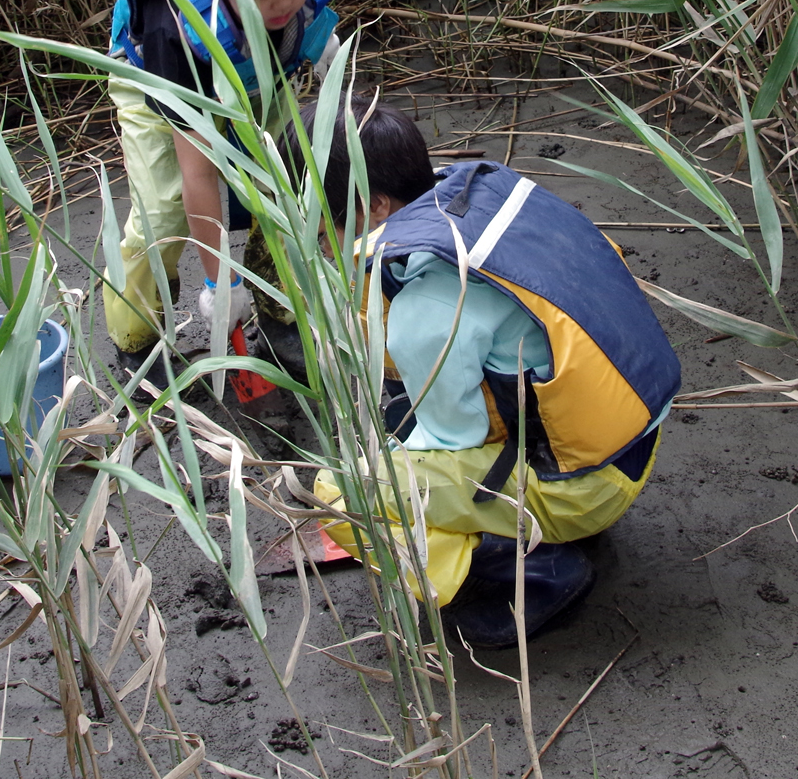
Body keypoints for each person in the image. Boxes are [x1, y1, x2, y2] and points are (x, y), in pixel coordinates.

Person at [291, 99, 680, 648]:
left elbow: (454, 438)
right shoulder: (486, 201)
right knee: (407, 413)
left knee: (341, 489)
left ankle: (519, 575)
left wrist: (387, 465)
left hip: (585, 489)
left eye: (317, 216)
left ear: (373, 207)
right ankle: (530, 527)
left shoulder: (427, 306)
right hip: (635, 441)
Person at [104, 0, 339, 383]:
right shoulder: (174, 25)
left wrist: (318, 43)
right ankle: (137, 341)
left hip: (258, 67)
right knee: (163, 214)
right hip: (162, 79)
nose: (283, 1)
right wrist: (219, 282)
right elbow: (199, 172)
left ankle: (281, 319)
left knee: (281, 189)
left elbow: (296, 15)